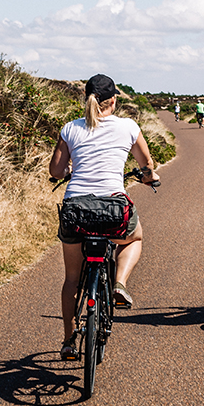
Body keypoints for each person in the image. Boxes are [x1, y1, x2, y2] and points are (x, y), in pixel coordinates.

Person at [49, 74, 160, 360]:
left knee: (72, 278)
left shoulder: (70, 129)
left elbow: (56, 171)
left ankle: (69, 341)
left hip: (76, 209)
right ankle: (120, 283)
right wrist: (149, 177)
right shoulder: (128, 127)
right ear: (114, 100)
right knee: (134, 237)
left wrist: (70, 172)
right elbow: (146, 164)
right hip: (112, 209)